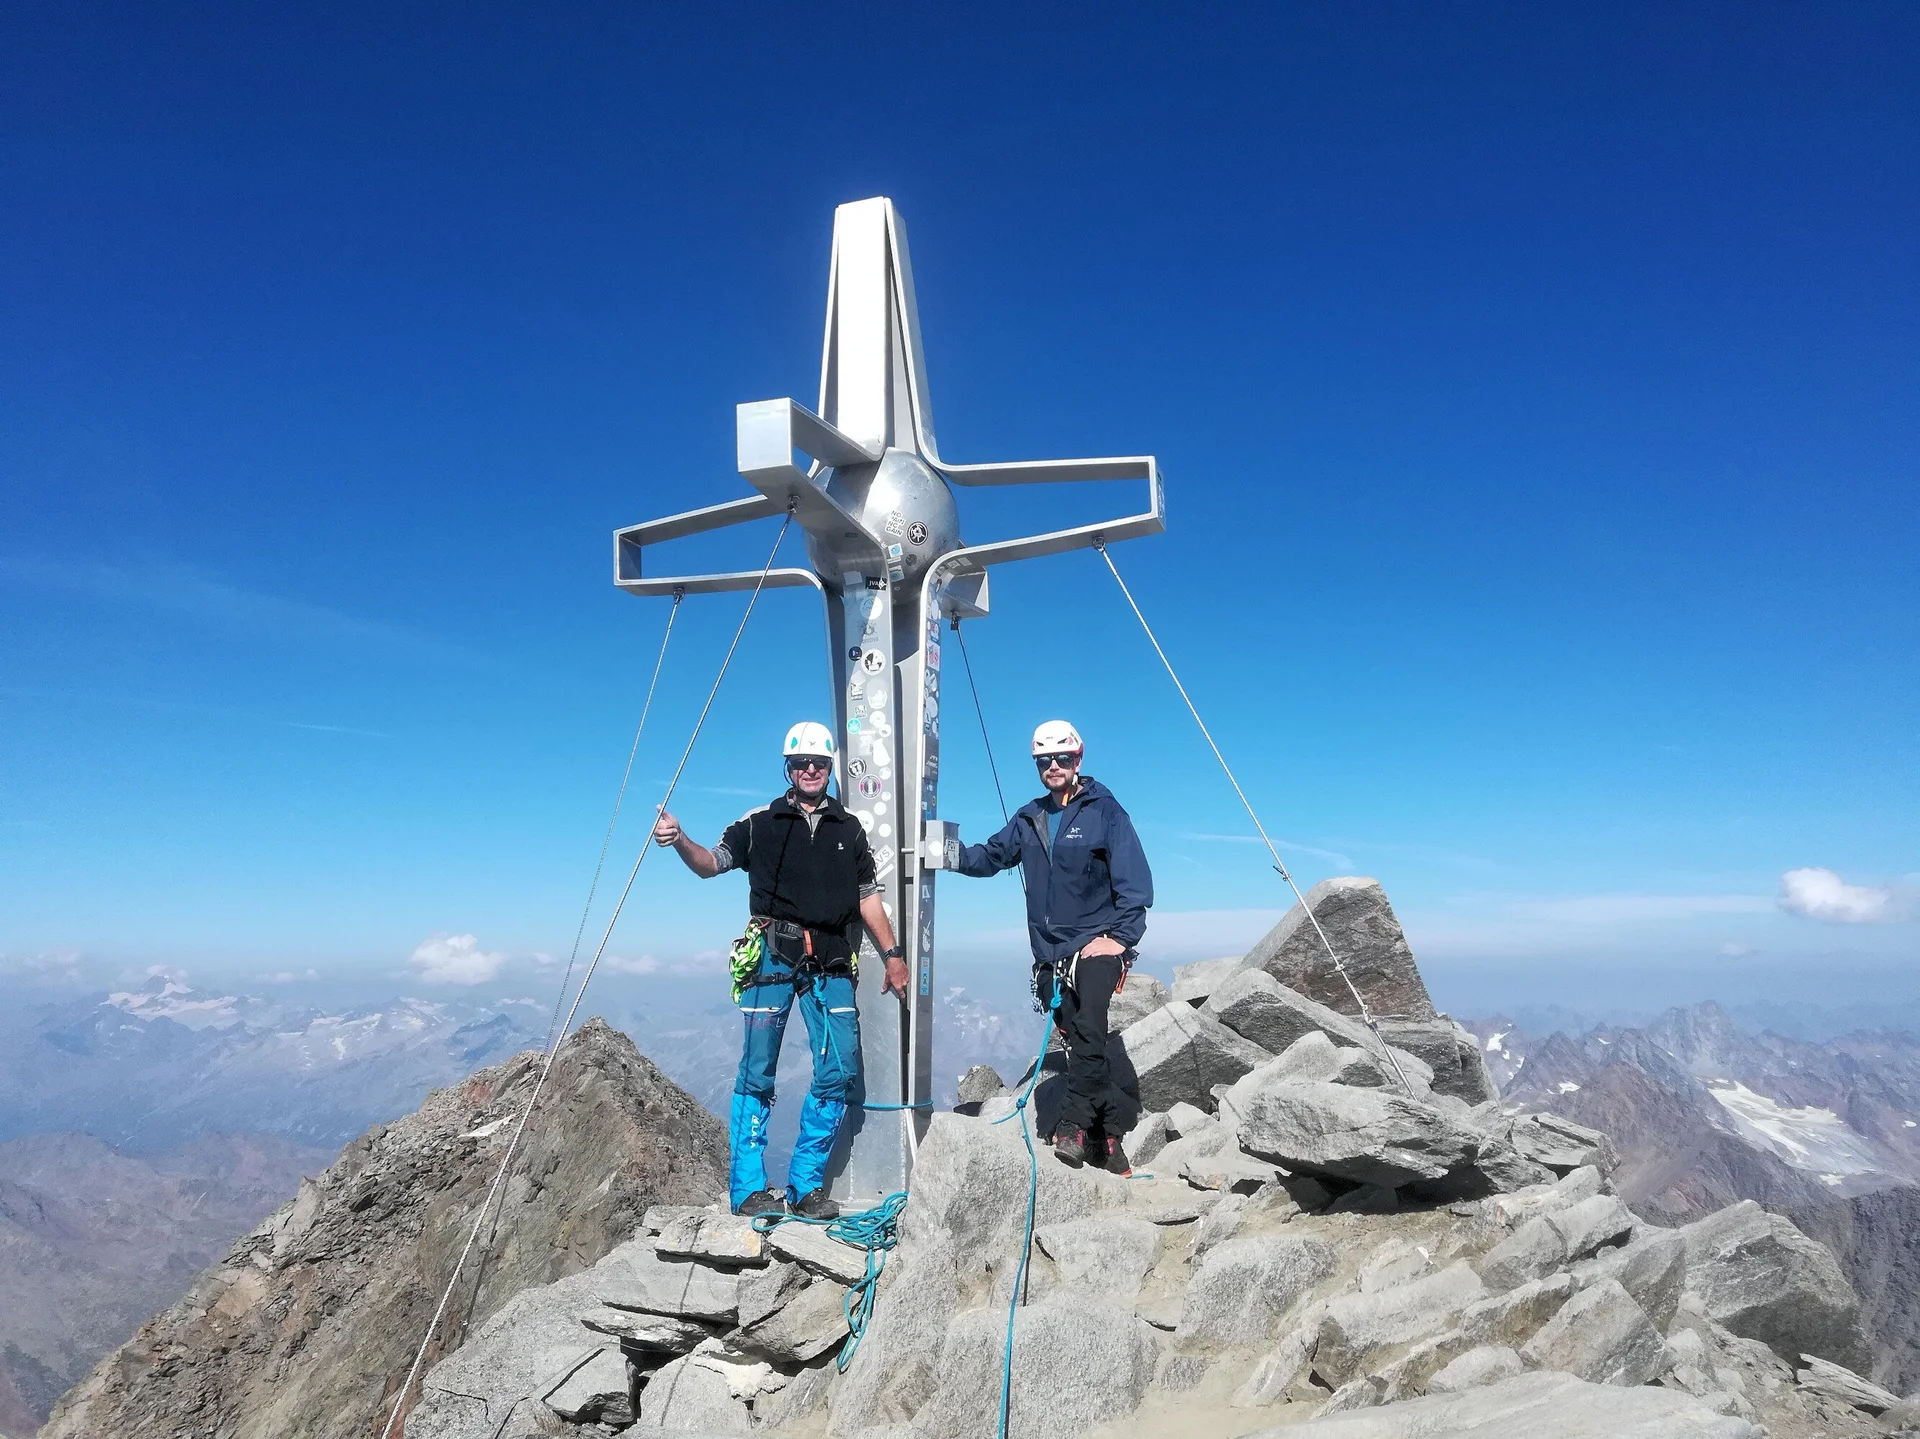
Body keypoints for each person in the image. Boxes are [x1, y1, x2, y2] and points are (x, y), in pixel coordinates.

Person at [653, 721, 908, 1218]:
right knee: (757, 1071)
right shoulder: (760, 822)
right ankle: (748, 1190)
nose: (810, 770)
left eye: (818, 763)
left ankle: (805, 1187)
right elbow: (710, 863)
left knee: (838, 1069)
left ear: (831, 768)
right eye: (800, 763)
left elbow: (867, 900)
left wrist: (893, 955)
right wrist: (680, 838)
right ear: (787, 768)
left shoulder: (848, 828)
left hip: (831, 958)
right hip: (772, 954)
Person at [953, 720, 1153, 1171]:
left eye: (1063, 758)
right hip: (1050, 955)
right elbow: (992, 856)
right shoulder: (1031, 817)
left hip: (1095, 946)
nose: (1054, 767)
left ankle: (1072, 1125)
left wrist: (1120, 938)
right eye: (1045, 761)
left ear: (1078, 760)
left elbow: (1135, 881)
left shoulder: (1105, 811)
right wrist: (949, 854)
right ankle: (1109, 1139)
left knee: (1089, 1029)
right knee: (1076, 1038)